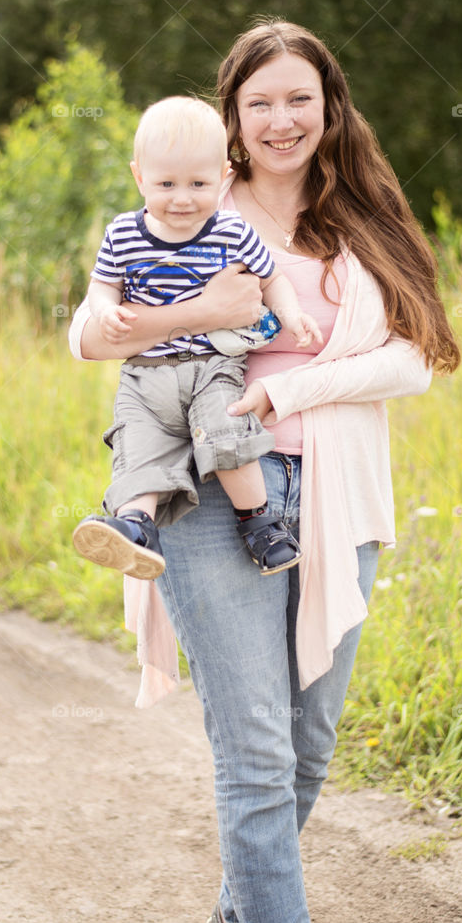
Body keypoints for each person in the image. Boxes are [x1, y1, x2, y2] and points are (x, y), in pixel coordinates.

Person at [69, 21, 460, 923]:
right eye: (260, 104)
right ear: (231, 118)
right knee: (253, 748)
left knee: (309, 741)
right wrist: (210, 310)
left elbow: (411, 362)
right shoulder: (192, 204)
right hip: (208, 497)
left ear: (327, 105)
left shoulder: (361, 216)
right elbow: (88, 334)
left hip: (335, 498)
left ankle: (239, 914)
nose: (282, 120)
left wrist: (288, 385)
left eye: (301, 98)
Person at [72, 95, 323, 581]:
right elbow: (102, 285)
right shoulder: (123, 233)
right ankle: (134, 528)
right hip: (145, 376)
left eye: (198, 184)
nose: (182, 198)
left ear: (224, 177)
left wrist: (292, 317)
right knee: (139, 446)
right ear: (138, 175)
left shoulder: (232, 231)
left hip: (212, 368)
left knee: (227, 432)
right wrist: (105, 312)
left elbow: (272, 280)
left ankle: (259, 522)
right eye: (166, 184)